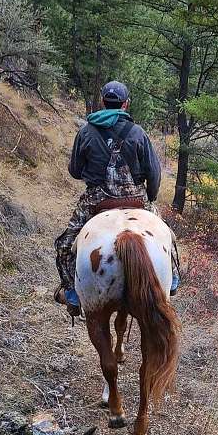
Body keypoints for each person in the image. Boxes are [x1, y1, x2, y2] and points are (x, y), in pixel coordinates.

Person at [54, 80, 179, 316]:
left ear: (103, 101)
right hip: (136, 198)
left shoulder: (86, 131)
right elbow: (154, 172)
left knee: (63, 244)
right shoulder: (138, 132)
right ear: (125, 104)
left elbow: (74, 170)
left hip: (96, 199)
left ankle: (71, 292)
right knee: (168, 238)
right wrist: (149, 198)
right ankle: (172, 280)